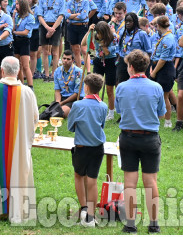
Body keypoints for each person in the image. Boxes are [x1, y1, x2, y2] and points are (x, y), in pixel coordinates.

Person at [0, 56, 38, 224]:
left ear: (2, 71)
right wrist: (24, 134)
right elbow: (35, 118)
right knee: (19, 170)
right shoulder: (27, 92)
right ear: (19, 71)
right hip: (19, 145)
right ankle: (17, 211)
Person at [115, 50, 166, 234]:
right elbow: (161, 113)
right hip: (150, 137)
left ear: (130, 67)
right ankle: (153, 224)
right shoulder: (156, 87)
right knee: (150, 181)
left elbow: (119, 110)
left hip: (128, 137)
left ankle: (130, 224)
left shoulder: (121, 87)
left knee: (130, 182)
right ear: (147, 67)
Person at [67, 73, 107, 228]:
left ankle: (84, 208)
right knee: (92, 179)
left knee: (79, 176)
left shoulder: (77, 105)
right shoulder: (103, 106)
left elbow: (70, 127)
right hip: (98, 148)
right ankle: (90, 216)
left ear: (87, 88)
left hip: (82, 148)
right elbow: (101, 125)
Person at [82, 22, 117, 120]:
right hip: (98, 61)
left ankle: (111, 113)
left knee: (110, 89)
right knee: (95, 86)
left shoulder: (113, 37)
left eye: (100, 33)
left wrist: (102, 43)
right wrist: (89, 31)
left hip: (110, 61)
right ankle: (95, 109)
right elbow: (83, 43)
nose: (98, 35)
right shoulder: (94, 34)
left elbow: (107, 52)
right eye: (97, 32)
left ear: (105, 33)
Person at [149, 16, 177, 128]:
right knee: (156, 95)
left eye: (156, 26)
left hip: (164, 68)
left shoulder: (168, 38)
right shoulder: (163, 36)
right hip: (157, 65)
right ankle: (158, 117)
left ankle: (168, 121)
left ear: (159, 26)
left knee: (165, 95)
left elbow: (163, 59)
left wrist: (154, 72)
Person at [36, 0, 66, 81]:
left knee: (55, 51)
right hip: (45, 25)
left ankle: (54, 74)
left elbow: (61, 15)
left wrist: (53, 29)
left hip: (56, 26)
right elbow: (39, 15)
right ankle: (47, 74)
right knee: (44, 51)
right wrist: (47, 28)